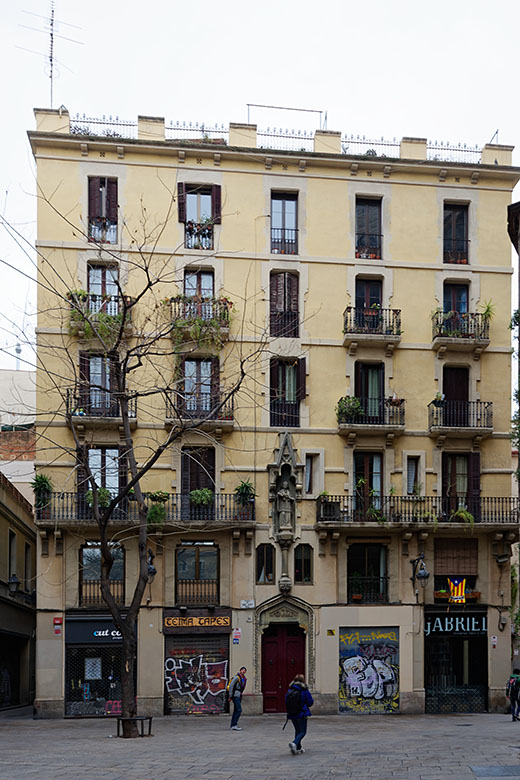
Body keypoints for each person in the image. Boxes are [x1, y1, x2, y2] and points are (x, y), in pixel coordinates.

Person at [286, 673, 313, 754]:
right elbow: (310, 702)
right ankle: (294, 743)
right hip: (302, 713)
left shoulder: (290, 690)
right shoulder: (304, 691)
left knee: (297, 730)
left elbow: (286, 701)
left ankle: (298, 747)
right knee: (302, 731)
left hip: (292, 713)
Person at [229, 666, 247, 730]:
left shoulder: (244, 678)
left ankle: (233, 724)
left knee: (236, 710)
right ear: (240, 670)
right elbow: (231, 686)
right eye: (242, 670)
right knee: (239, 710)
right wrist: (230, 696)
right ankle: (234, 724)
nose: (243, 671)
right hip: (235, 695)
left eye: (245, 670)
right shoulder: (237, 677)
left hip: (239, 695)